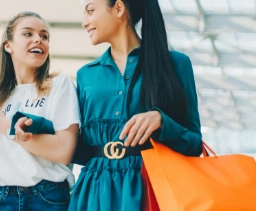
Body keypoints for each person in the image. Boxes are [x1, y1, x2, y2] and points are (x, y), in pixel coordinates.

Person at [69, 0, 204, 210]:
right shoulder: (86, 75)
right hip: (95, 193)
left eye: (90, 10)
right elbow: (79, 147)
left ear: (119, 8)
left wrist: (161, 121)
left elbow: (194, 144)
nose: (85, 21)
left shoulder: (176, 64)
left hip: (151, 190)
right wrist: (43, 127)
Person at [0, 11, 80, 211]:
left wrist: (6, 126)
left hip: (47, 199)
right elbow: (6, 169)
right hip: (4, 197)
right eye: (28, 34)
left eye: (44, 36)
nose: (38, 40)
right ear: (8, 45)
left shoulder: (59, 85)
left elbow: (64, 151)